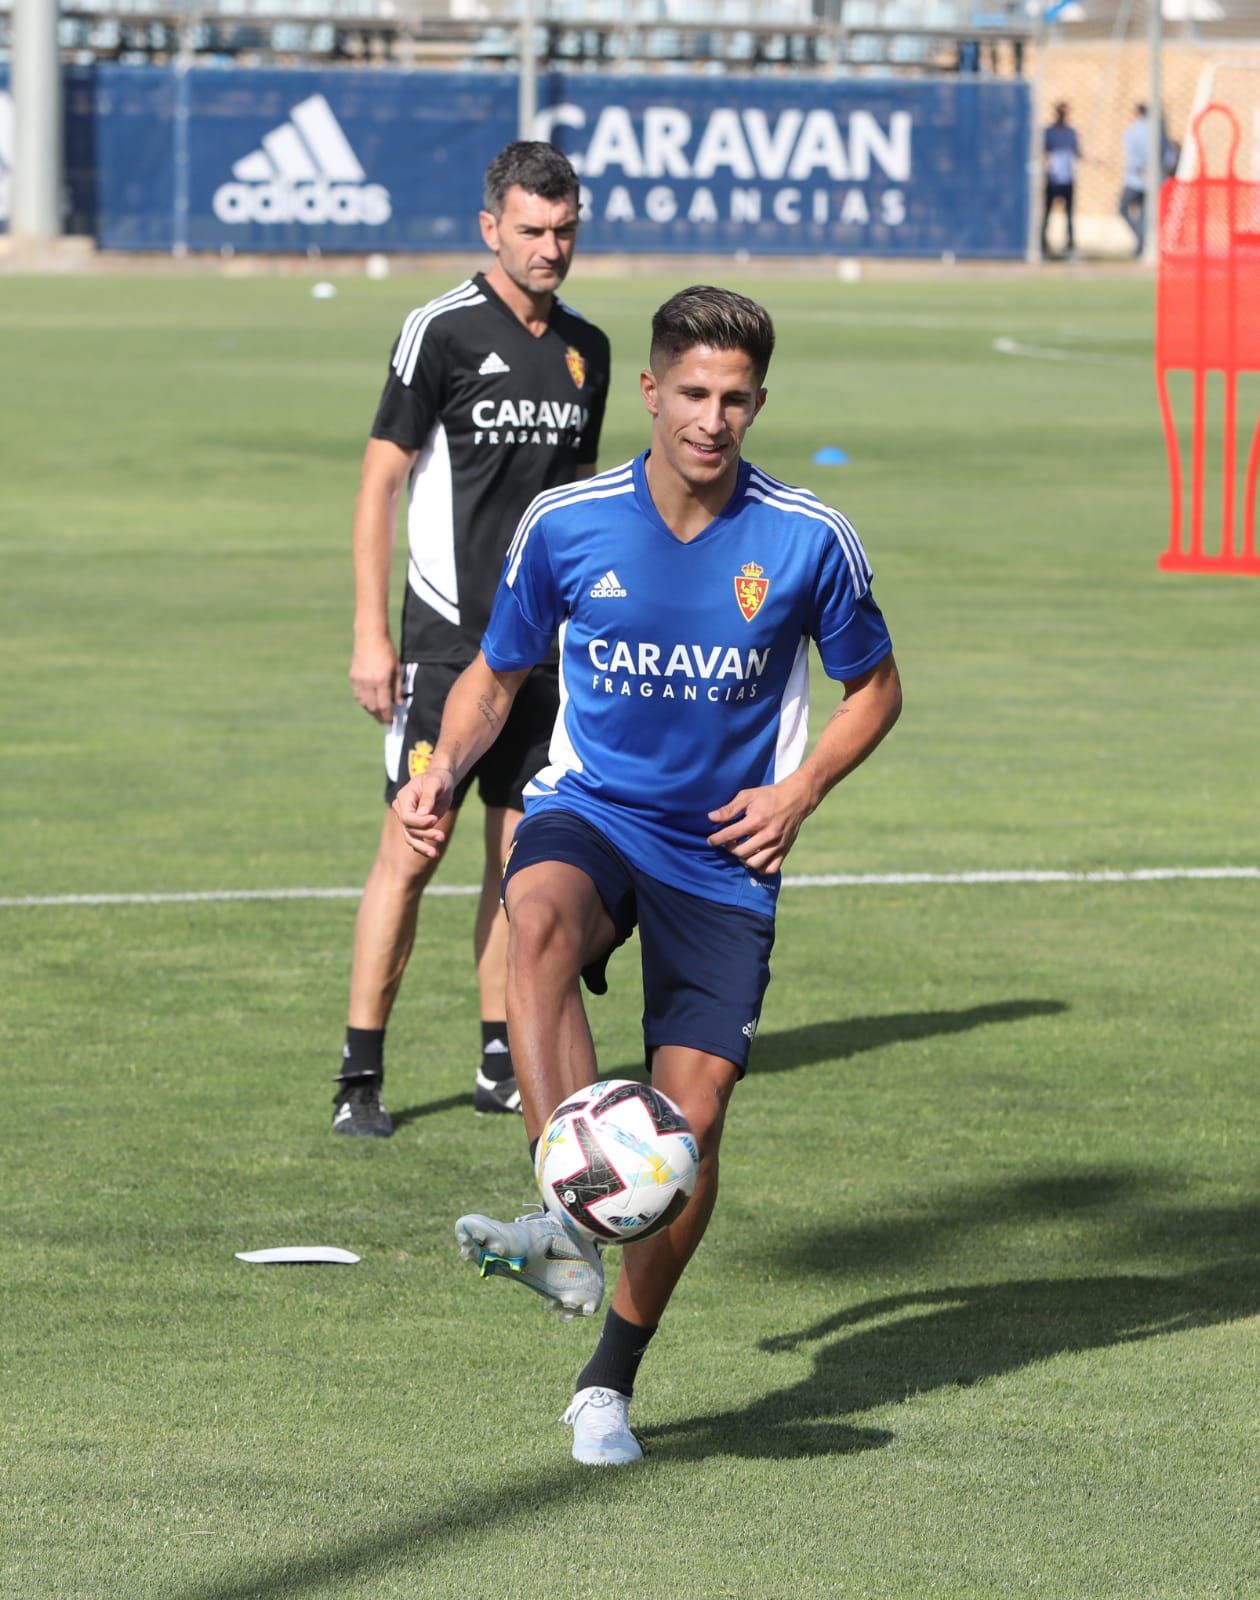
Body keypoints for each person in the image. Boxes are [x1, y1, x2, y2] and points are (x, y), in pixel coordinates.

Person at [392, 286, 903, 1463]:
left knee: (695, 1127)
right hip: (598, 809)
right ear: (651, 392)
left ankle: (609, 1376)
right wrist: (438, 770)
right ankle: (563, 1215)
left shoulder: (808, 538)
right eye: (693, 395)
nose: (713, 420)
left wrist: (799, 790)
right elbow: (494, 675)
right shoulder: (569, 523)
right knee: (533, 921)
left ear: (757, 403)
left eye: (735, 400)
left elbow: (874, 687)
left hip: (724, 850)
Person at [333, 141, 611, 1138]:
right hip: (448, 645)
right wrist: (374, 635)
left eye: (565, 229)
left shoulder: (591, 348)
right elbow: (380, 482)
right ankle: (360, 1073)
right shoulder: (439, 331)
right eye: (532, 230)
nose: (551, 247)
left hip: (546, 656)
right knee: (413, 846)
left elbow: (575, 509)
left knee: (516, 853)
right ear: (491, 226)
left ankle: (501, 1052)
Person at [1041, 102, 1081, 259]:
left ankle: (1070, 246)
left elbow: (1077, 152)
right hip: (1053, 178)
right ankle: (1042, 245)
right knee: (1048, 213)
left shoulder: (1071, 132)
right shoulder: (1049, 132)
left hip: (1068, 179)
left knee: (1069, 215)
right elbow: (1043, 150)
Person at [1119, 103, 1150, 257]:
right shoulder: (1157, 130)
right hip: (1152, 180)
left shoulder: (1133, 131)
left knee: (1123, 209)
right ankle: (1142, 244)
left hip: (1135, 179)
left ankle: (1141, 241)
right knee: (1143, 214)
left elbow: (1132, 155)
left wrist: (1139, 169)